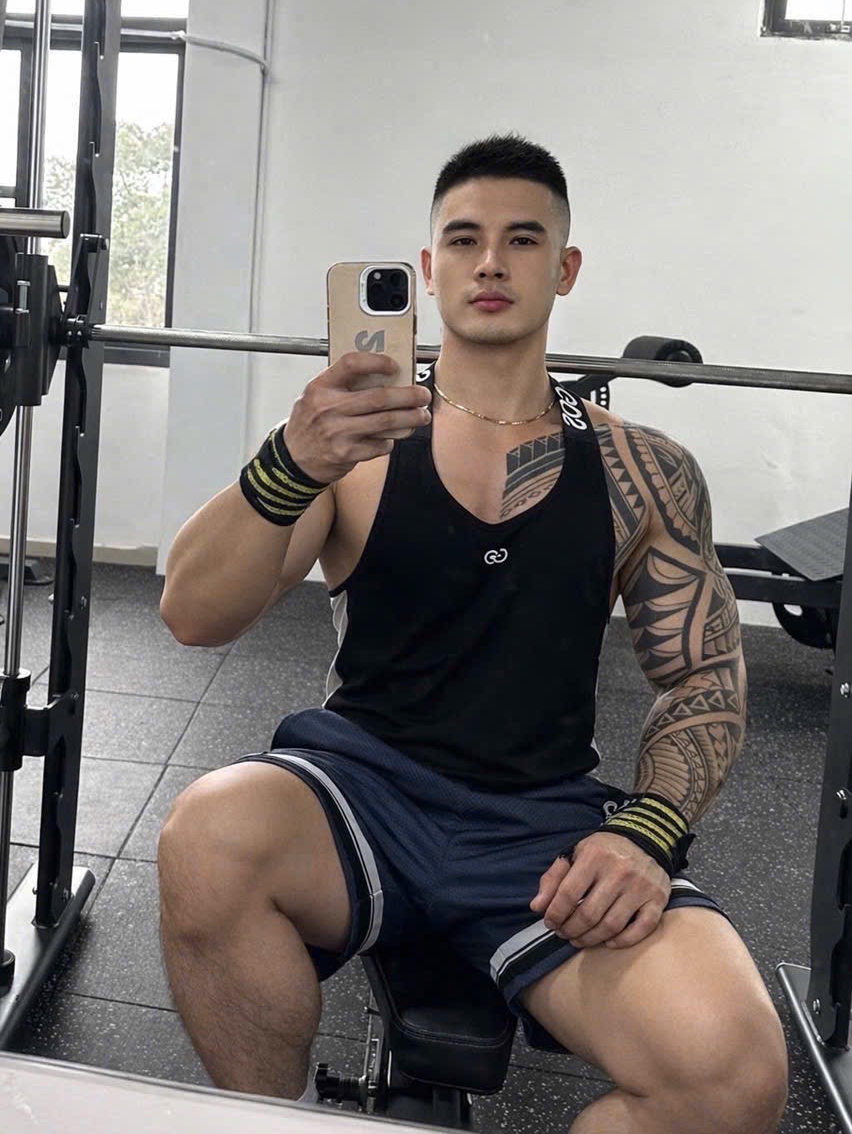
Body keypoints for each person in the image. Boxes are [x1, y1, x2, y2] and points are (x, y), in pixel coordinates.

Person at [157, 134, 788, 1134]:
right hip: (360, 789)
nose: (491, 261)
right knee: (207, 834)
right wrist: (290, 461)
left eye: (522, 239)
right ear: (429, 266)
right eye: (464, 239)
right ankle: (274, 1121)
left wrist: (647, 832)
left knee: (734, 1075)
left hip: (542, 824)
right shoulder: (351, 444)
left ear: (564, 268)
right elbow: (193, 613)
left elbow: (704, 675)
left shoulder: (644, 470)